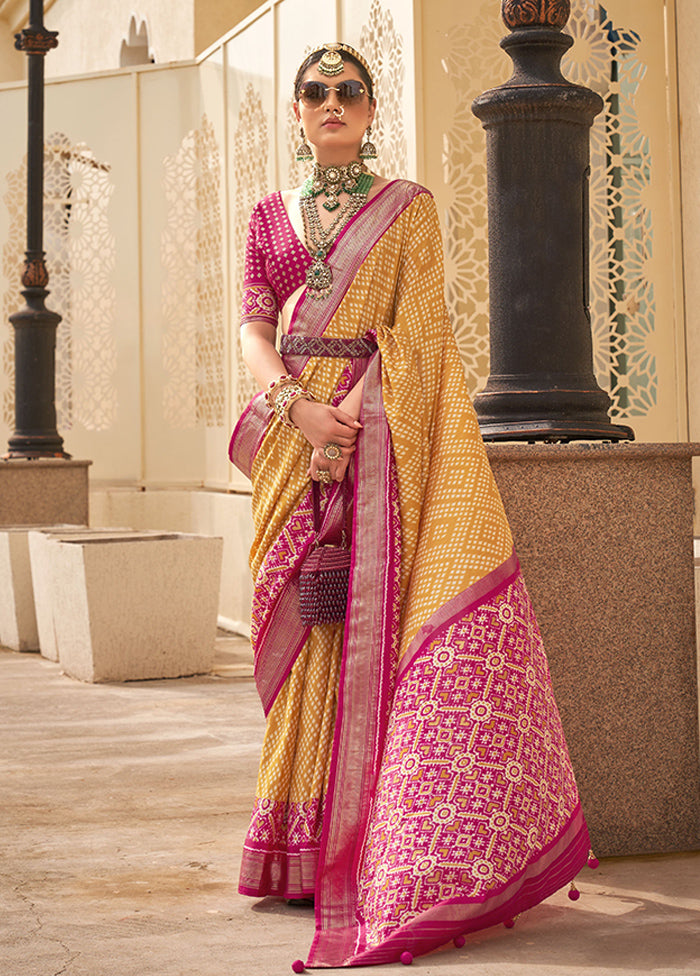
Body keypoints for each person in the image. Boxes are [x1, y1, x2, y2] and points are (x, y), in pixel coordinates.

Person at [229, 41, 594, 970]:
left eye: (348, 91)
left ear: (370, 106)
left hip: (376, 435)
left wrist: (349, 416)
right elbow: (253, 323)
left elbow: (422, 327)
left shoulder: (409, 211)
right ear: (298, 112)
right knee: (303, 622)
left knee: (368, 623)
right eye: (315, 93)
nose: (331, 104)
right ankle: (295, 847)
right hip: (292, 433)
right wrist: (296, 409)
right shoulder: (271, 216)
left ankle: (372, 844)